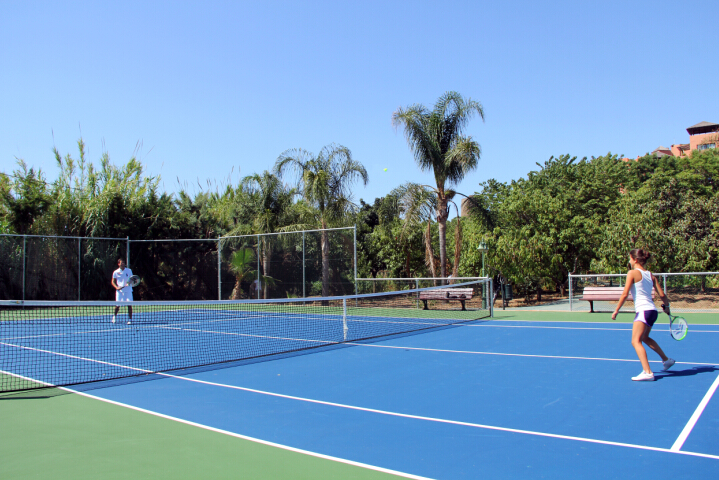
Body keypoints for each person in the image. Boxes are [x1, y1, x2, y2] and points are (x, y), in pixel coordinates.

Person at [611, 249, 675, 381]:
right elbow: (662, 295)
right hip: (652, 311)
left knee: (635, 341)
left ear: (634, 259)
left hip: (644, 311)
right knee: (645, 337)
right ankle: (666, 360)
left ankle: (648, 372)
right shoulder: (650, 275)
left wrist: (616, 310)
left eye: (629, 258)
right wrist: (667, 307)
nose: (629, 261)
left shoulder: (632, 273)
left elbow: (625, 294)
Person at [111, 257, 133, 324]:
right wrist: (116, 287)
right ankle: (114, 317)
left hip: (128, 290)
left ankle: (130, 319)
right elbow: (113, 281)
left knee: (129, 305)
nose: (123, 264)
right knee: (118, 305)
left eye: (124, 262)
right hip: (120, 291)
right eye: (121, 263)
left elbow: (132, 279)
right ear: (118, 264)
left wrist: (129, 283)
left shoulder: (129, 271)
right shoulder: (115, 272)